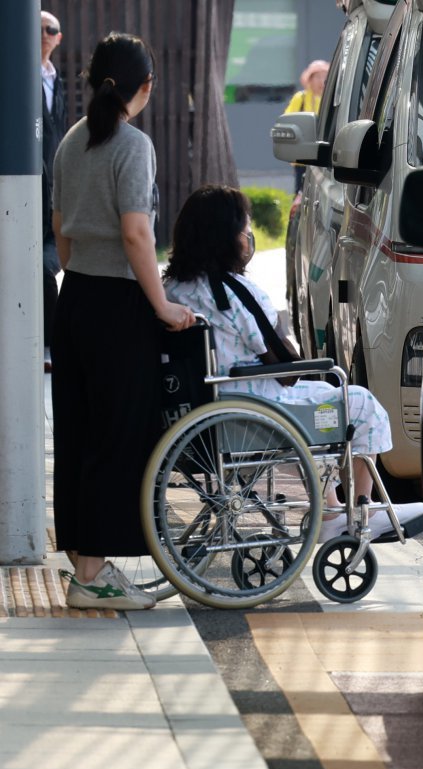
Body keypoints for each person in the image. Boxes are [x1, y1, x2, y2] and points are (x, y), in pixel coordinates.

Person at [163, 184, 422, 542]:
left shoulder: (173, 290)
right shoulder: (235, 292)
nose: (248, 238)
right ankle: (361, 510)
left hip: (208, 408)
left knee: (323, 402)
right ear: (226, 238)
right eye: (244, 229)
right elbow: (284, 365)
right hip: (257, 408)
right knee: (358, 403)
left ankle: (332, 505)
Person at [52, 33, 196, 611]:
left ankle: (87, 566)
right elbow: (138, 232)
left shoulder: (70, 141)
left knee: (79, 433)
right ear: (145, 87)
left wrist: (80, 272)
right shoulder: (133, 146)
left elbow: (61, 228)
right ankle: (92, 575)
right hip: (118, 307)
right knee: (116, 437)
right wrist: (160, 304)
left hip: (77, 300)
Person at [41, 10, 67, 372]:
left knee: (48, 264)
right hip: (25, 190)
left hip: (53, 193)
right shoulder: (18, 73)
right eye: (39, 29)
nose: (44, 34)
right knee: (42, 270)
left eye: (51, 29)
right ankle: (48, 343)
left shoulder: (54, 79)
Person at [284, 59, 329, 192]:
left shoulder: (330, 99)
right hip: (303, 157)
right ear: (309, 79)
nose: (321, 81)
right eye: (317, 77)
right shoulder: (300, 98)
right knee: (301, 192)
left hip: (324, 156)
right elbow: (288, 121)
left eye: (325, 77)